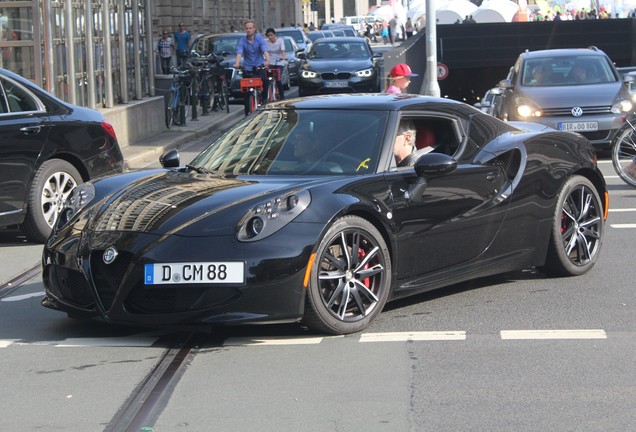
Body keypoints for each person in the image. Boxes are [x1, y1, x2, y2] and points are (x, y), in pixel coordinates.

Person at [234, 19, 270, 116]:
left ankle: (264, 101)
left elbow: (264, 50)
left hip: (259, 66)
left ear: (254, 29)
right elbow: (239, 52)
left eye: (250, 28)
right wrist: (237, 63)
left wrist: (267, 60)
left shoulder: (259, 39)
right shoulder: (242, 40)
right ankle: (247, 114)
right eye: (247, 28)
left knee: (265, 81)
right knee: (246, 93)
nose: (249, 30)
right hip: (248, 68)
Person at [265, 28, 286, 100]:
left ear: (274, 35)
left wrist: (283, 57)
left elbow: (282, 50)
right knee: (267, 77)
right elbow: (265, 52)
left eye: (271, 35)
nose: (270, 37)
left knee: (278, 78)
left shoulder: (280, 41)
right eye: (268, 36)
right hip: (270, 61)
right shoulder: (266, 42)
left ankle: (282, 96)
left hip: (279, 61)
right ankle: (267, 94)